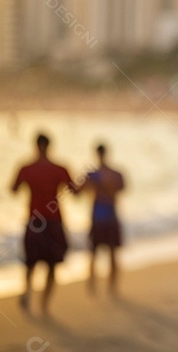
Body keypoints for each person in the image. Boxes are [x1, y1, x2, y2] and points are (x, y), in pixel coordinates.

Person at [11, 132, 78, 313]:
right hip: (54, 221)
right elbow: (75, 191)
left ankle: (27, 292)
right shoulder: (59, 168)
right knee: (52, 264)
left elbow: (13, 189)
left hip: (35, 221)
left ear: (36, 145)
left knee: (31, 262)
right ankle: (44, 304)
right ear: (49, 146)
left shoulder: (26, 168)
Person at [79, 143, 126, 295]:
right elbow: (121, 188)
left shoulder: (95, 174)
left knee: (95, 252)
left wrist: (98, 185)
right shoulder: (114, 174)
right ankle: (109, 286)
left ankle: (94, 284)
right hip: (108, 216)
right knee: (108, 252)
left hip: (100, 216)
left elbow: (79, 191)